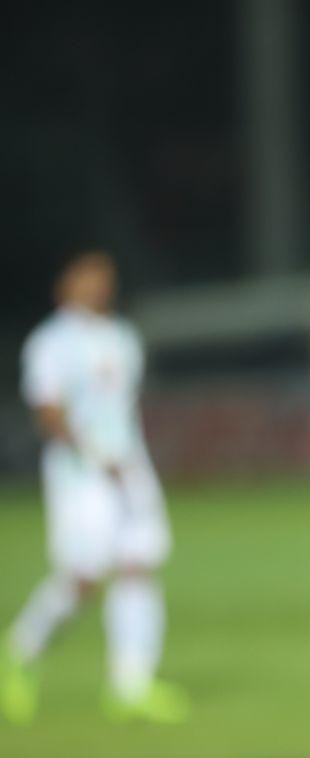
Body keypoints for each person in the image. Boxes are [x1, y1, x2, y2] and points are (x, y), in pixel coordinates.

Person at [1, 250, 187, 725]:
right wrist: (91, 455)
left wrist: (124, 457)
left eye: (104, 278)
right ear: (65, 284)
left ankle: (131, 684)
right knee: (82, 578)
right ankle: (20, 649)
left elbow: (122, 407)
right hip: (80, 474)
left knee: (138, 564)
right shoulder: (51, 342)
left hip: (128, 467)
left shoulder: (123, 337)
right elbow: (48, 411)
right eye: (87, 278)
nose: (98, 286)